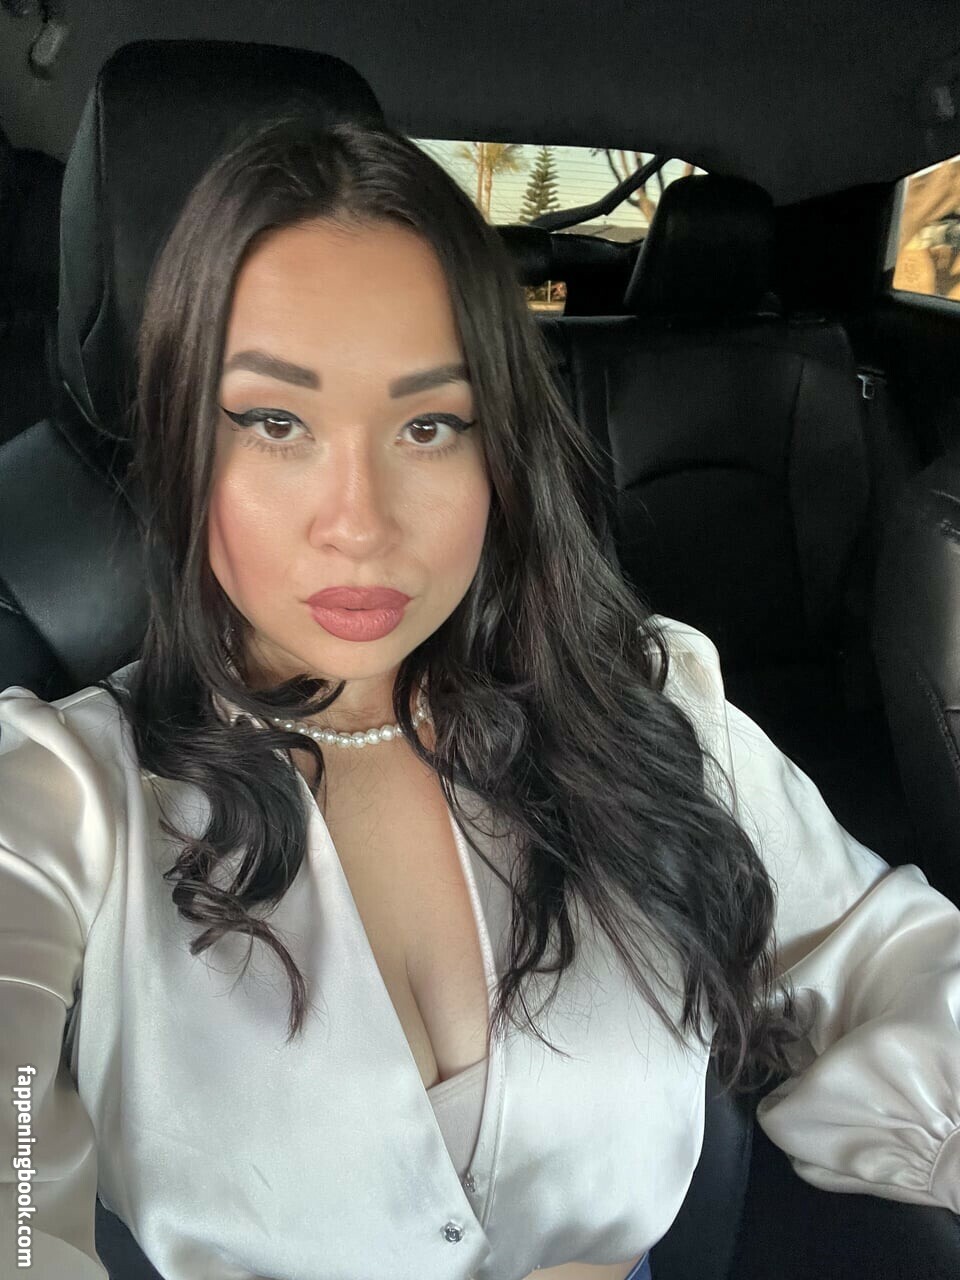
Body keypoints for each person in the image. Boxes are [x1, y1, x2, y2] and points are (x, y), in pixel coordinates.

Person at [0, 116, 957, 1280]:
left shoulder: (651, 710)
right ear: (182, 442)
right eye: (277, 422)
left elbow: (899, 961)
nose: (360, 520)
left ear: (497, 449)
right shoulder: (62, 798)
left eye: (428, 425)